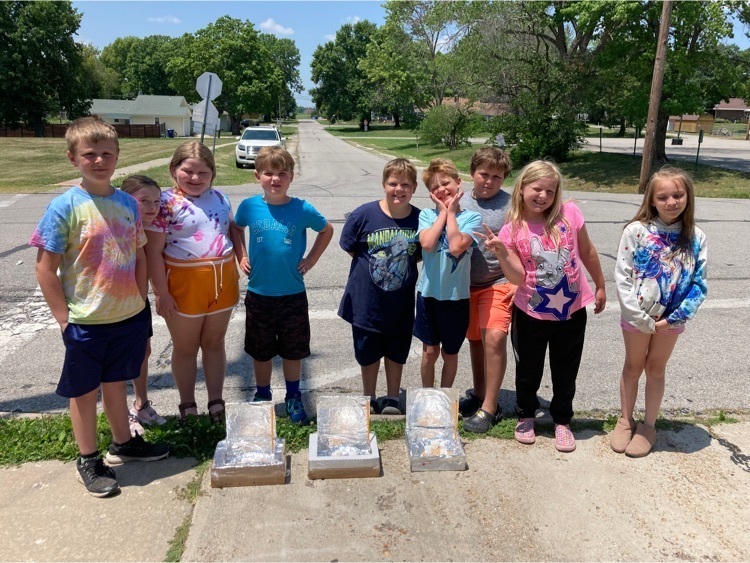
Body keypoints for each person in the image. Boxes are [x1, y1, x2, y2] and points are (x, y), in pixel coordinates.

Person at [30, 117, 169, 498]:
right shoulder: (64, 208)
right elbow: (45, 269)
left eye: (106, 153)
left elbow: (139, 254)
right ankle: (88, 458)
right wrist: (64, 320)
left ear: (118, 156)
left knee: (116, 383)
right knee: (85, 391)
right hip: (85, 320)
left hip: (127, 315)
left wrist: (139, 300)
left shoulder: (127, 204)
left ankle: (123, 442)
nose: (99, 161)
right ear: (72, 158)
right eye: (89, 154)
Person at [477, 160, 606, 452]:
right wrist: (501, 252)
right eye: (537, 189)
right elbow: (517, 277)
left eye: (550, 191)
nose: (543, 196)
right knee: (528, 370)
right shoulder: (512, 230)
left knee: (566, 369)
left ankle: (562, 420)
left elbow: (587, 250)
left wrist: (600, 285)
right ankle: (525, 414)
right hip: (530, 313)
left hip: (571, 312)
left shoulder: (569, 214)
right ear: (522, 188)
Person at [610, 167, 707, 457]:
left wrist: (674, 319)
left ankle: (649, 426)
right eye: (663, 197)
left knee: (656, 368)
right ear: (652, 200)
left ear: (688, 197)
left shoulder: (696, 237)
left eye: (678, 195)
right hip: (636, 317)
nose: (671, 202)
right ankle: (625, 420)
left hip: (671, 321)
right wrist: (636, 315)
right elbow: (622, 275)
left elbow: (699, 284)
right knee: (633, 366)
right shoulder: (636, 231)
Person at [145, 141, 244, 425]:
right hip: (183, 284)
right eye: (188, 171)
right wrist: (161, 293)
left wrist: (242, 257)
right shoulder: (164, 203)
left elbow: (232, 231)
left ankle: (216, 400)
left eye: (203, 172)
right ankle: (187, 403)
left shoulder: (221, 197)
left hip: (222, 282)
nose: (196, 178)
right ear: (173, 170)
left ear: (213, 173)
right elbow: (153, 252)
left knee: (214, 342)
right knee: (186, 347)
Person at [234, 146, 334, 424]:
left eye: (282, 174)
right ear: (257, 176)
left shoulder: (302, 209)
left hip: (292, 295)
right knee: (260, 351)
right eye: (269, 173)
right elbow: (236, 227)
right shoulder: (249, 207)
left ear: (291, 176)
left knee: (293, 350)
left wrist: (311, 259)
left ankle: (293, 396)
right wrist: (241, 254)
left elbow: (326, 230)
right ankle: (263, 394)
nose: (275, 179)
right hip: (259, 294)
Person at [338, 158, 421, 415]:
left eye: (405, 184)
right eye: (393, 183)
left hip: (400, 301)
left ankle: (393, 397)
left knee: (397, 350)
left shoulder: (420, 219)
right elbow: (351, 247)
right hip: (366, 299)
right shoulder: (363, 214)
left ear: (414, 187)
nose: (399, 189)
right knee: (367, 351)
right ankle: (369, 396)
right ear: (384, 184)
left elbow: (418, 255)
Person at [460, 147, 515, 433]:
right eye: (484, 174)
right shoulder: (460, 200)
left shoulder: (511, 205)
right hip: (463, 284)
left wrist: (516, 280)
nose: (489, 181)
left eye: (497, 176)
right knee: (475, 340)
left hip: (498, 281)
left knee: (494, 338)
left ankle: (490, 407)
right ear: (472, 173)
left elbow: (522, 241)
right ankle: (479, 393)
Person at [415, 158, 482, 389]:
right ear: (430, 193)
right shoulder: (426, 215)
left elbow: (456, 247)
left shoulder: (472, 218)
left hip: (456, 297)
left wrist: (451, 214)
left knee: (450, 353)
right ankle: (427, 395)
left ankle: (444, 396)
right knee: (429, 351)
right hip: (428, 294)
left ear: (458, 182)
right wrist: (443, 214)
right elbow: (427, 244)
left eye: (446, 183)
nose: (442, 190)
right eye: (435, 187)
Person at [119, 175, 167, 435]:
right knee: (117, 359)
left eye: (157, 201)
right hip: (113, 305)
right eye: (144, 200)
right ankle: (119, 415)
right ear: (126, 200)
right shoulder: (119, 226)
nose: (152, 207)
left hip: (139, 302)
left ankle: (141, 404)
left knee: (143, 352)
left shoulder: (147, 228)